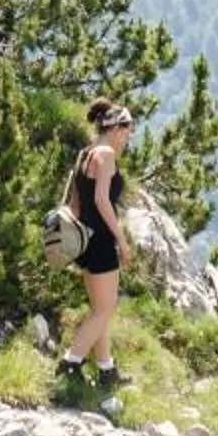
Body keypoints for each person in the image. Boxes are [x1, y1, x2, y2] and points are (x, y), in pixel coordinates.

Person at [57, 98, 136, 395]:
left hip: (84, 239)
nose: (128, 139)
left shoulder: (86, 153)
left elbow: (76, 203)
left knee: (99, 308)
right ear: (117, 128)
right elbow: (103, 200)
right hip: (101, 240)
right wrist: (122, 240)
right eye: (128, 132)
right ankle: (70, 364)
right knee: (105, 310)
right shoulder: (105, 154)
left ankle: (106, 370)